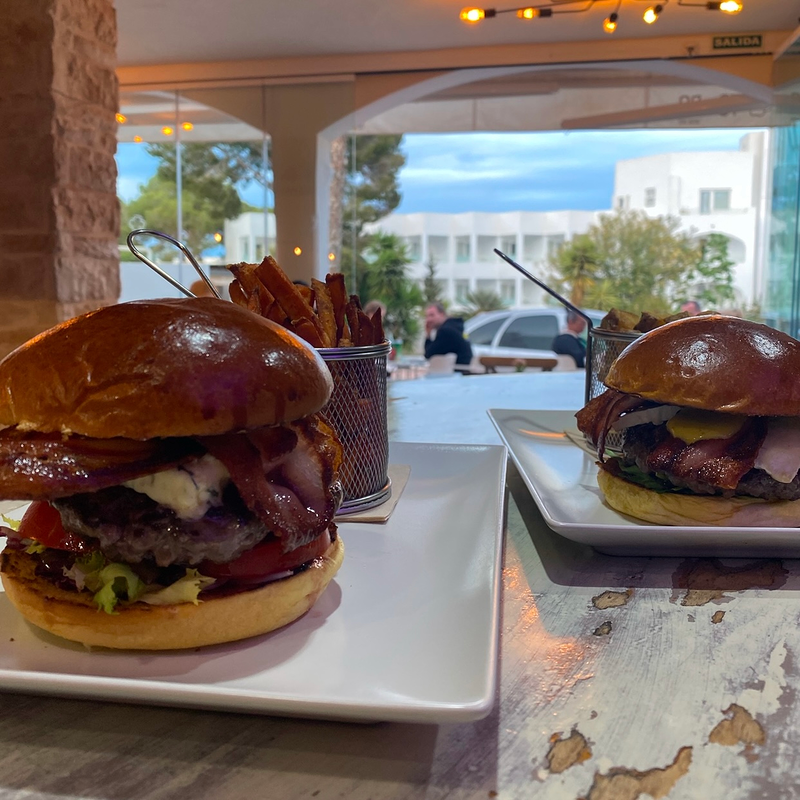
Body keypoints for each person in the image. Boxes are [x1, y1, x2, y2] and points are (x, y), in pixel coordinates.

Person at [424, 303, 472, 371]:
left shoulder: (445, 331)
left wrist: (428, 335)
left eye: (432, 315)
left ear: (442, 314)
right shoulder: (455, 327)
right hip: (464, 369)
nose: (428, 320)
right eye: (427, 316)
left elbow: (429, 354)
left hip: (458, 372)